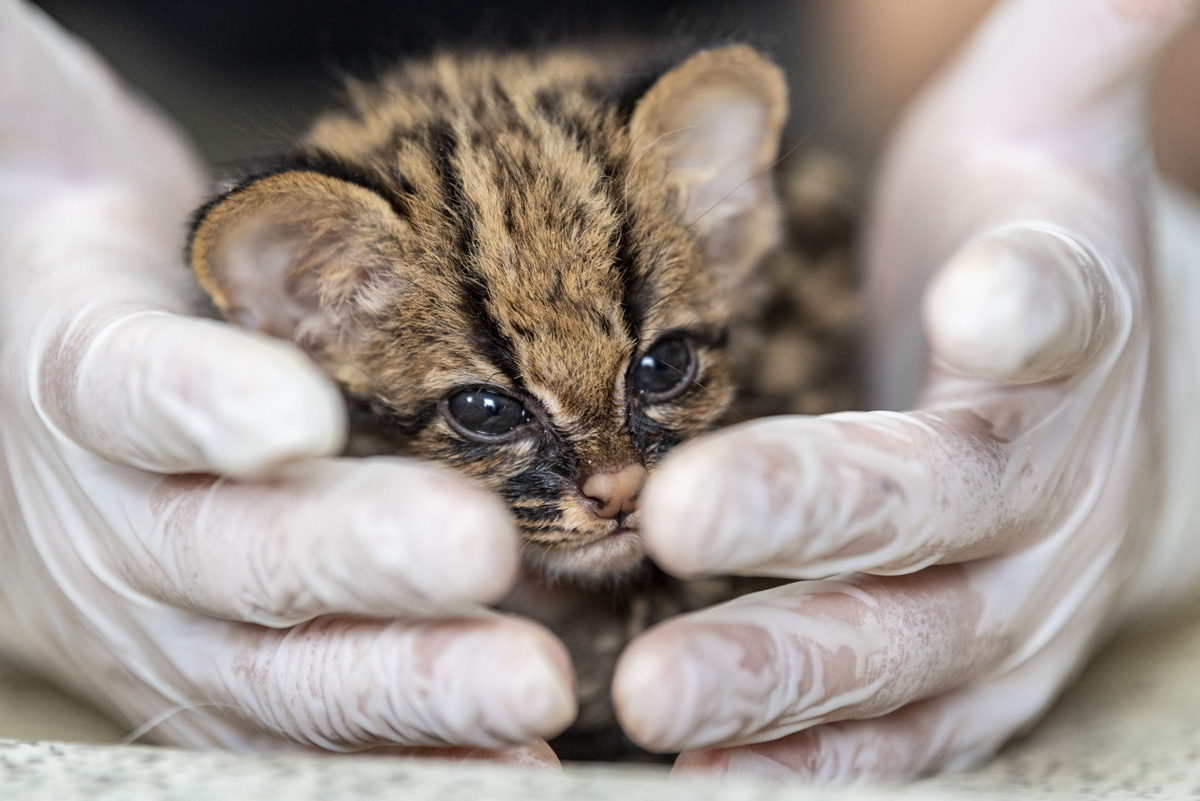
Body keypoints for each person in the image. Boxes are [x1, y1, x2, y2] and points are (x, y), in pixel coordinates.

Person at [1, 0, 1197, 781]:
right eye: (488, 411)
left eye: (662, 372)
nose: (615, 478)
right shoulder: (351, 270)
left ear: (734, 221)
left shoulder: (739, 252)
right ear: (299, 311)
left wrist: (1150, 246)